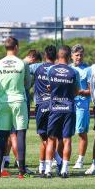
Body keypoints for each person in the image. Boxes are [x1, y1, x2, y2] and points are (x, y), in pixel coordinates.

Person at [0, 37, 31, 178]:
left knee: (2, 136)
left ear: (5, 47)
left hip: (3, 102)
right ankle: (21, 171)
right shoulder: (22, 63)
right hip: (19, 101)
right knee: (20, 134)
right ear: (16, 47)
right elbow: (27, 84)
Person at [45, 46, 79, 178]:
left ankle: (48, 169)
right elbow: (76, 91)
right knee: (67, 139)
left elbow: (50, 87)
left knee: (51, 139)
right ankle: (64, 169)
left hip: (54, 108)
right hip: (69, 108)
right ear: (69, 55)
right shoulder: (73, 71)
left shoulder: (51, 70)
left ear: (58, 56)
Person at [28, 45, 56, 177]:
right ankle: (43, 166)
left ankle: (57, 160)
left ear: (45, 55)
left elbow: (23, 67)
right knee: (51, 137)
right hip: (55, 105)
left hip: (40, 104)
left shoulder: (37, 67)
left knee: (44, 136)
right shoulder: (57, 69)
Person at [70, 44, 91, 169]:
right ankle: (60, 159)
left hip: (82, 104)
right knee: (64, 132)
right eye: (76, 55)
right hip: (68, 104)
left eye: (81, 55)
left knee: (81, 132)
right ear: (71, 56)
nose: (79, 57)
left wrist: (79, 92)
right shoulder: (67, 68)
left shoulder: (88, 69)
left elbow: (91, 90)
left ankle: (80, 160)